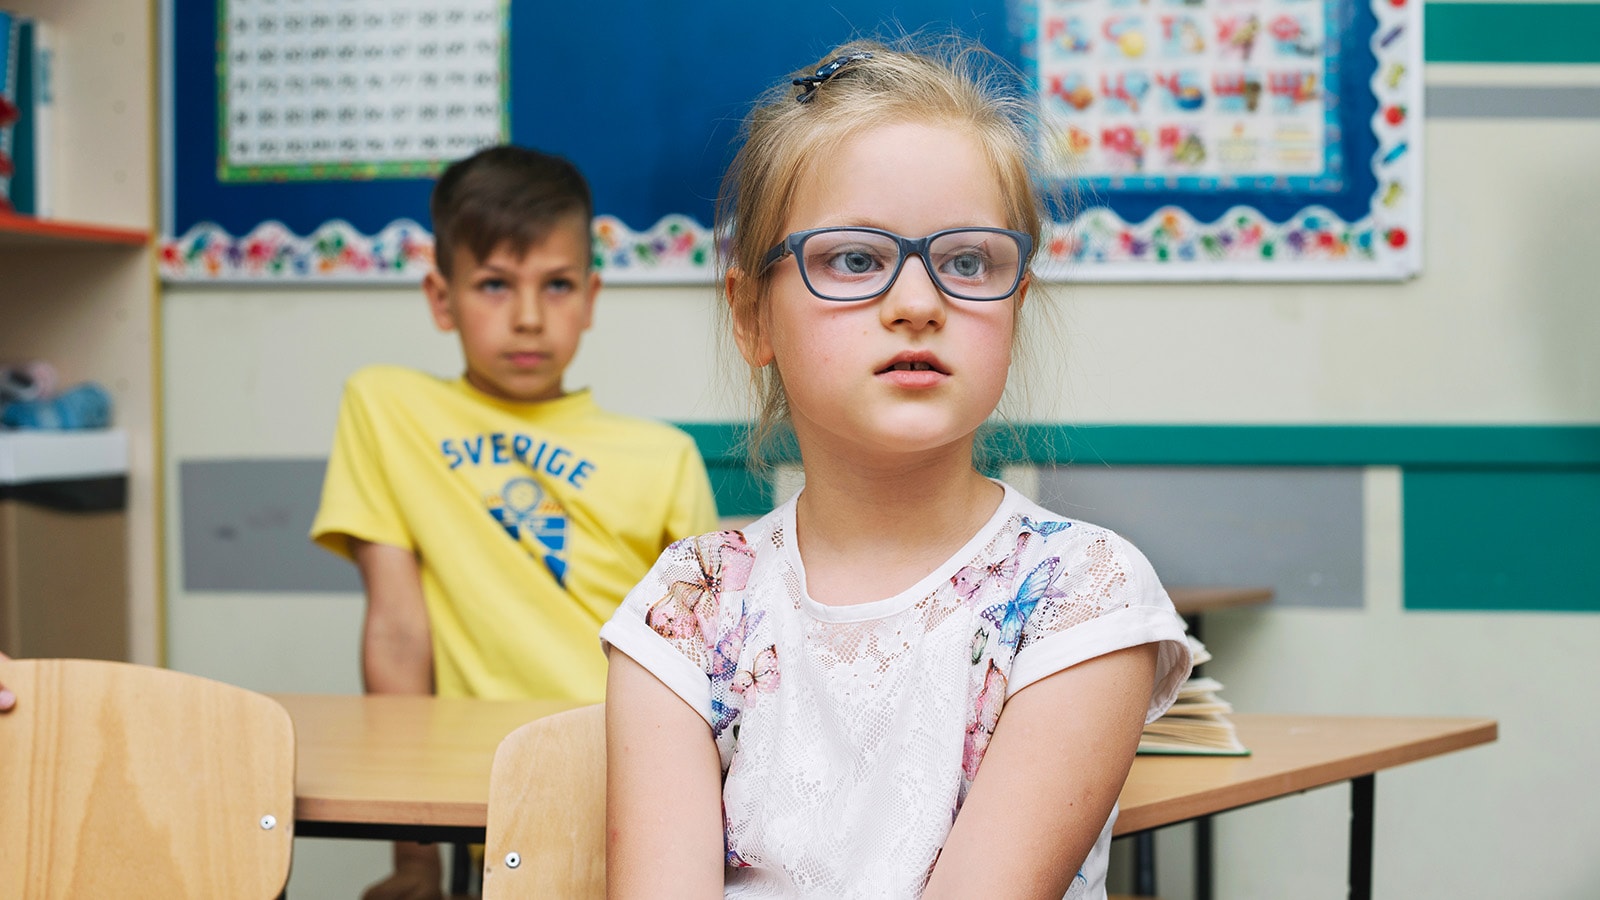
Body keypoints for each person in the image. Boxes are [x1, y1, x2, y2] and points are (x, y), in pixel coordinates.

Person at [599, 40, 1193, 899]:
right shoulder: (690, 605)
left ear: (1015, 307)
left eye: (967, 263)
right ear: (752, 317)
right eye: (853, 259)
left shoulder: (1082, 595)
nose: (918, 303)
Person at [310, 145, 719, 900]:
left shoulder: (664, 458)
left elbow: (704, 671)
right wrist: (413, 861)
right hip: (480, 784)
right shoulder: (388, 409)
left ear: (592, 297)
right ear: (441, 298)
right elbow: (397, 635)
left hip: (626, 779)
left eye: (557, 285)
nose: (529, 318)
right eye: (494, 285)